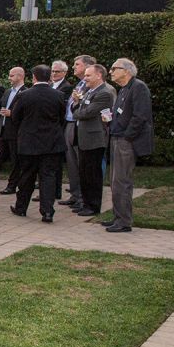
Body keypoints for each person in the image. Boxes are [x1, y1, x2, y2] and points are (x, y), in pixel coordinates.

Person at [9, 65, 67, 223]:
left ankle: (21, 207)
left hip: (29, 142)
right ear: (49, 77)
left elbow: (15, 117)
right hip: (52, 143)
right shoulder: (59, 95)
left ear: (33, 77)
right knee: (48, 177)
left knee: (27, 176)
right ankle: (47, 212)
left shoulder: (24, 95)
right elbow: (61, 118)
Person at [104, 58, 153, 233]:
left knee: (122, 181)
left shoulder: (138, 87)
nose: (110, 72)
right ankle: (118, 217)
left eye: (114, 68)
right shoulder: (124, 89)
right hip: (117, 138)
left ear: (127, 70)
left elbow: (140, 116)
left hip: (126, 141)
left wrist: (127, 136)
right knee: (114, 181)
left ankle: (124, 221)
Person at [71, 64, 116, 216]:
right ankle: (85, 203)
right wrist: (77, 106)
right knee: (84, 173)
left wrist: (77, 108)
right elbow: (79, 110)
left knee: (93, 174)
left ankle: (93, 206)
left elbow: (86, 113)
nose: (85, 79)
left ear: (99, 75)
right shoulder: (90, 92)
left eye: (88, 76)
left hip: (94, 139)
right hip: (84, 138)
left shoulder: (104, 93)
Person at [61, 55, 98, 208]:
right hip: (70, 124)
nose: (74, 67)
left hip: (80, 126)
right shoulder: (79, 84)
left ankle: (83, 197)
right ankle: (75, 195)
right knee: (71, 163)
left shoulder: (91, 86)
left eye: (77, 64)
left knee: (81, 162)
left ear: (88, 67)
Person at [0, 66, 25, 194]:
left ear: (20, 76)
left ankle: (12, 185)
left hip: (15, 131)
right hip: (3, 129)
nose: (9, 78)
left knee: (15, 159)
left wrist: (12, 113)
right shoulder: (7, 92)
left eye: (12, 75)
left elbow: (26, 112)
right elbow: (0, 106)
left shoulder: (25, 92)